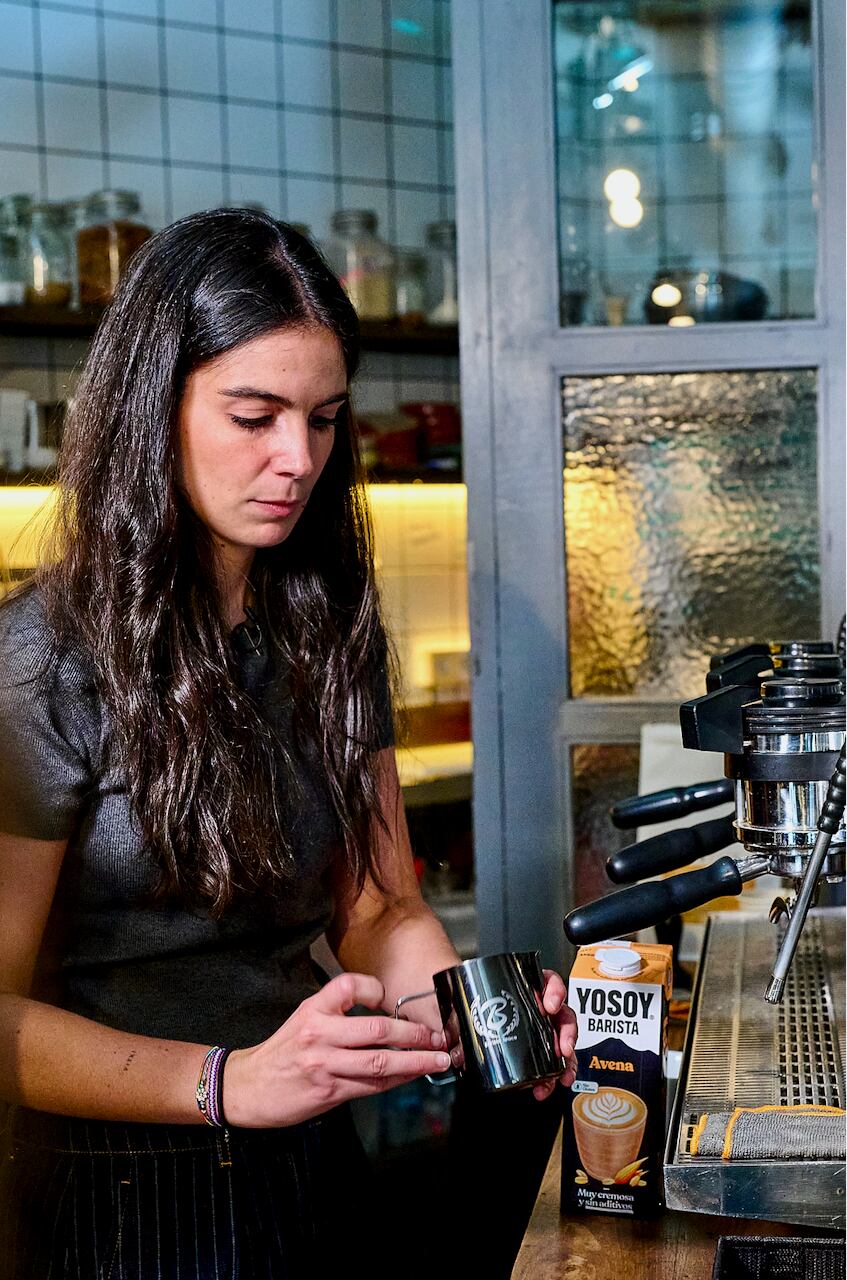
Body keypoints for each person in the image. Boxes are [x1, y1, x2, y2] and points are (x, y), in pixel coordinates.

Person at [0, 209, 577, 1277]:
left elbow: (377, 905)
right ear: (151, 406)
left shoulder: (323, 628)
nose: (296, 457)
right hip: (107, 1199)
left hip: (304, 1169)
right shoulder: (37, 667)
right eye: (253, 414)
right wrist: (227, 1080)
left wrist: (468, 1017)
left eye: (322, 418)